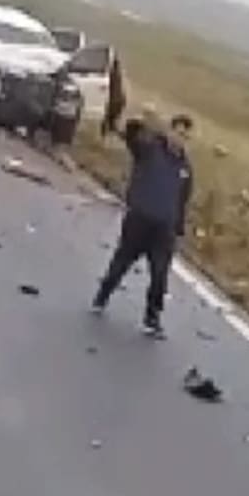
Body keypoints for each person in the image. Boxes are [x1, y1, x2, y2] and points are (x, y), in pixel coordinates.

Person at [91, 110, 194, 338]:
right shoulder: (149, 149)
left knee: (160, 275)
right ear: (170, 131)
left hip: (163, 231)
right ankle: (103, 295)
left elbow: (182, 200)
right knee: (122, 262)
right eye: (178, 133)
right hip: (139, 221)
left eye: (185, 137)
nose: (180, 139)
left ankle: (152, 318)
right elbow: (131, 135)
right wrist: (142, 122)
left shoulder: (185, 169)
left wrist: (178, 230)